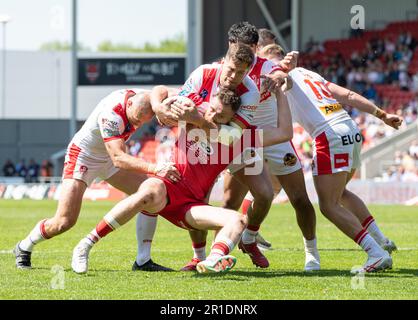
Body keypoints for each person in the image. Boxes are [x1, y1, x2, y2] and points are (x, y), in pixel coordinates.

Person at [71, 64, 294, 274]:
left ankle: (212, 261)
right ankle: (86, 244)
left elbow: (285, 133)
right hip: (165, 189)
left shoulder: (240, 139)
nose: (213, 116)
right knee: (149, 189)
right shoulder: (190, 113)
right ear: (209, 104)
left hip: (190, 207)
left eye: (221, 116)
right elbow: (159, 90)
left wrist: (281, 93)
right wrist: (159, 106)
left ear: (232, 119)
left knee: (238, 220)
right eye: (213, 110)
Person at [181, 21, 320, 272]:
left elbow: (281, 75)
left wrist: (282, 76)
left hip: (257, 136)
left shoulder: (259, 76)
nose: (241, 60)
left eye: (248, 51)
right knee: (219, 201)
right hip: (230, 140)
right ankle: (204, 257)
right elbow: (182, 99)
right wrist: (166, 107)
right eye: (237, 50)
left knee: (290, 197)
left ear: (257, 48)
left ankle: (257, 239)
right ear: (229, 48)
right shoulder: (212, 71)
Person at [260, 46, 401, 273]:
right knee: (341, 194)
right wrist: (382, 115)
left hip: (329, 135)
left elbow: (282, 78)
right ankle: (381, 240)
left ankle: (376, 253)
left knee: (328, 205)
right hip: (350, 129)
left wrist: (279, 74)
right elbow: (348, 95)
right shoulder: (310, 74)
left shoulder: (279, 73)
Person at [13, 88, 179, 272]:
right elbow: (119, 158)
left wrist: (164, 107)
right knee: (64, 221)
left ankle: (143, 260)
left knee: (151, 193)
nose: (137, 123)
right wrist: (156, 168)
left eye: (141, 121)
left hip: (109, 157)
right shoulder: (112, 114)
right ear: (129, 104)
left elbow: (166, 90)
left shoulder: (145, 97)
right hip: (85, 157)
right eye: (135, 118)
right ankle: (24, 246)